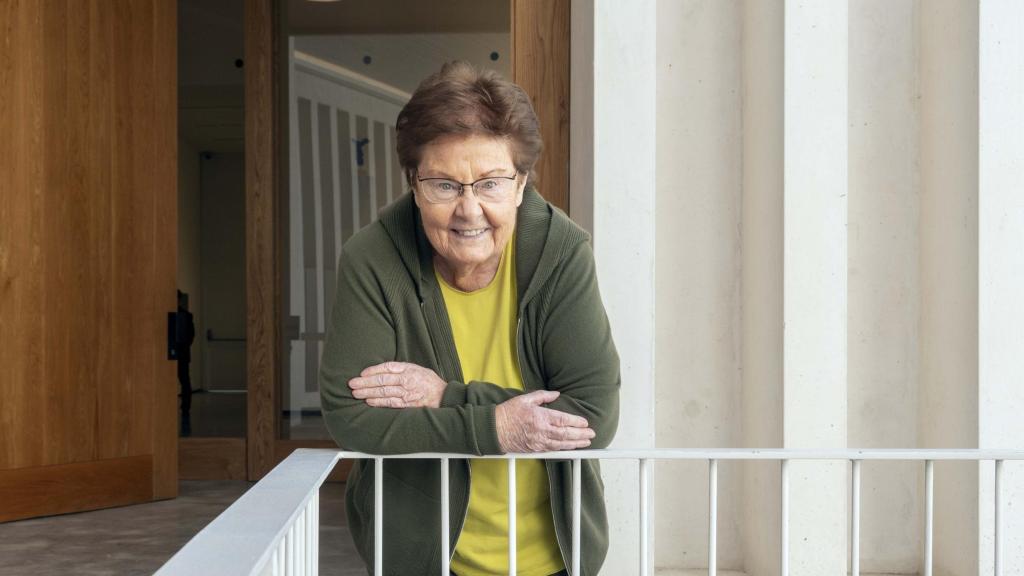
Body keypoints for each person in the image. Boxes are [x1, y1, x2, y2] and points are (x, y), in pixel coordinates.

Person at [319, 61, 620, 576]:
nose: (469, 210)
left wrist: (445, 398)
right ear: (413, 183)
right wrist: (496, 424)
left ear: (521, 184)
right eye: (444, 185)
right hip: (419, 556)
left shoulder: (561, 252)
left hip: (553, 555)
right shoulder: (373, 258)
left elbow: (592, 414)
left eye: (490, 183)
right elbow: (353, 417)